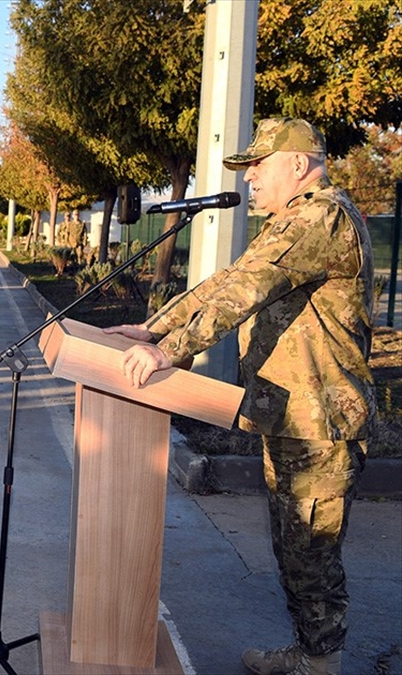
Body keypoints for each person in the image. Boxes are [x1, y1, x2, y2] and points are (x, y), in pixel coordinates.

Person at [105, 118, 375, 675]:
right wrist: (156, 330)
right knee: (293, 547)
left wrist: (169, 349)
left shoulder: (320, 217)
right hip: (293, 413)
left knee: (311, 550)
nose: (250, 178)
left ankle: (320, 663)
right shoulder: (292, 221)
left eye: (259, 165)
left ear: (297, 164)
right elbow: (228, 281)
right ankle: (309, 652)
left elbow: (246, 293)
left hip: (321, 417)